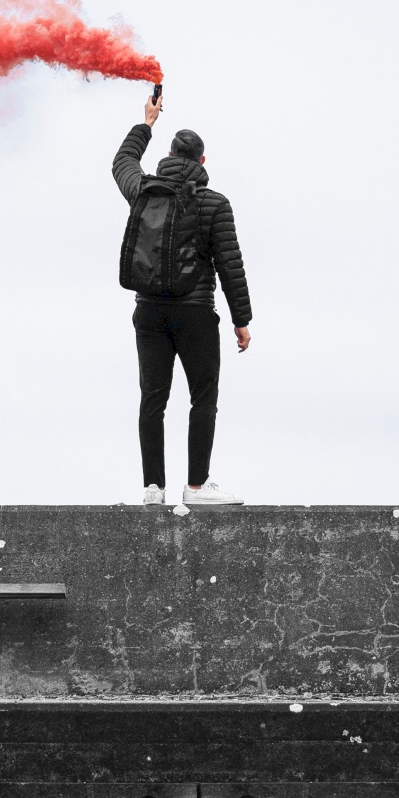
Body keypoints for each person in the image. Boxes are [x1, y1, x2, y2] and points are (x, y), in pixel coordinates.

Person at [113, 91, 252, 507]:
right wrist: (240, 319)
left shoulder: (144, 190)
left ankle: (153, 489)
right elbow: (230, 264)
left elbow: (122, 162)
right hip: (195, 313)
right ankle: (196, 487)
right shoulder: (214, 203)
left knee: (153, 398)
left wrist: (147, 123)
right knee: (202, 397)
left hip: (149, 311)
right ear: (202, 163)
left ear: (170, 155)